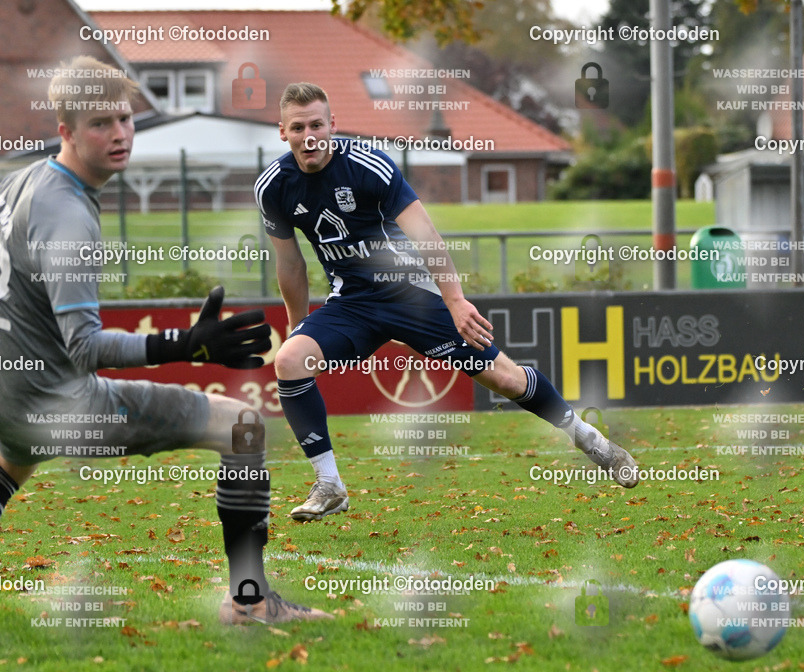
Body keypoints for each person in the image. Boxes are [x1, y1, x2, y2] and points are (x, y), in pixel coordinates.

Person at [0, 56, 328, 625]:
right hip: (51, 399)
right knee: (244, 428)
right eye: (99, 123)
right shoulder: (68, 215)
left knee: (9, 459)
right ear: (65, 130)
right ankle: (250, 602)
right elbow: (84, 348)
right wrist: (187, 345)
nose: (118, 134)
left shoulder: (24, 178)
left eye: (125, 119)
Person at [256, 82, 639, 522]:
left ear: (332, 126)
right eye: (299, 127)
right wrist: (297, 327)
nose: (310, 136)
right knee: (289, 361)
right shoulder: (273, 187)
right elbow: (290, 266)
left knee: (507, 380)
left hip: (412, 295)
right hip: (354, 303)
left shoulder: (369, 165)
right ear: (282, 132)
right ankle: (330, 484)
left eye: (318, 125)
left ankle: (589, 439)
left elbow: (426, 237)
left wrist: (455, 301)